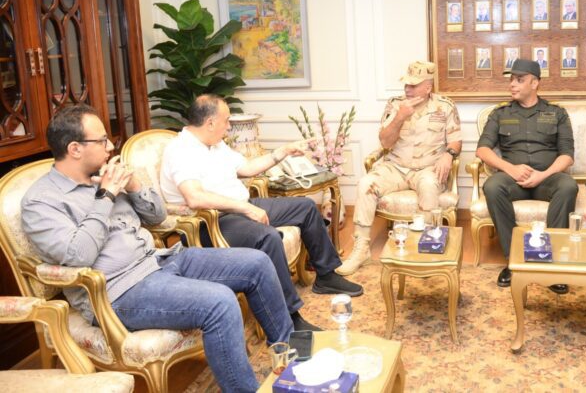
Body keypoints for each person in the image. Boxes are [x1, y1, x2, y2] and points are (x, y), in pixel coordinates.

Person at [20, 105, 294, 392]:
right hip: (119, 291)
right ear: (75, 149)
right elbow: (79, 255)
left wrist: (134, 185)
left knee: (257, 263)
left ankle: (290, 356)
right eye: (101, 141)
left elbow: (157, 217)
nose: (110, 146)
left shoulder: (104, 175)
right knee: (220, 302)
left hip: (158, 260)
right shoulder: (42, 201)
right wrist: (107, 195)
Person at [160, 95, 363, 314]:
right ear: (210, 123)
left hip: (239, 207)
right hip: (212, 222)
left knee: (306, 208)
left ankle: (326, 276)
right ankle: (288, 314)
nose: (229, 127)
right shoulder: (180, 150)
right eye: (226, 121)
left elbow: (247, 168)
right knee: (268, 237)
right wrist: (246, 208)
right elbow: (195, 197)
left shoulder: (215, 144)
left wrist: (283, 152)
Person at [337, 61, 462, 275]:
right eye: (406, 84)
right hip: (395, 168)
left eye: (413, 85)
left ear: (428, 87)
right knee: (366, 183)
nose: (407, 89)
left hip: (428, 168)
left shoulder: (445, 106)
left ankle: (425, 247)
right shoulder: (395, 105)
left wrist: (448, 155)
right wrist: (400, 116)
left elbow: (456, 140)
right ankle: (361, 249)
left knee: (429, 186)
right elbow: (385, 142)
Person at [476, 59, 577, 292]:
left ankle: (552, 265)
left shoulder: (557, 113)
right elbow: (482, 150)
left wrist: (543, 175)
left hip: (547, 178)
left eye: (519, 80)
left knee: (568, 186)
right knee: (492, 186)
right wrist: (510, 169)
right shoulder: (500, 114)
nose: (512, 84)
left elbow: (567, 155)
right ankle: (514, 260)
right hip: (513, 180)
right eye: (511, 79)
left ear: (534, 83)